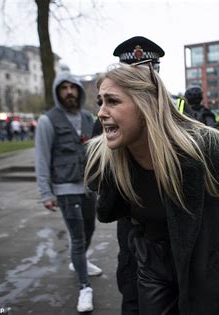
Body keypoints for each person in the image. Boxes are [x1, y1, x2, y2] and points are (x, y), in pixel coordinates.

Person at [85, 61, 219, 314]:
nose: (101, 112)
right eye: (100, 102)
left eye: (112, 101)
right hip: (152, 267)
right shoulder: (108, 158)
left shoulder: (204, 148)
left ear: (146, 106)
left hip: (206, 270)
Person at [91, 35, 166, 315]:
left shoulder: (176, 110)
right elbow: (96, 173)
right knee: (132, 285)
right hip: (131, 221)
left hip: (169, 225)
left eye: (143, 75)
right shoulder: (106, 113)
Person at [35, 73, 102, 312]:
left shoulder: (88, 117)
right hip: (65, 189)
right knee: (77, 237)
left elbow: (97, 152)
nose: (69, 92)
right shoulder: (47, 121)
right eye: (63, 88)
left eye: (72, 87)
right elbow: (42, 159)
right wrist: (46, 193)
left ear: (79, 91)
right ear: (57, 92)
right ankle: (84, 287)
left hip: (88, 188)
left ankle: (79, 262)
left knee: (90, 228)